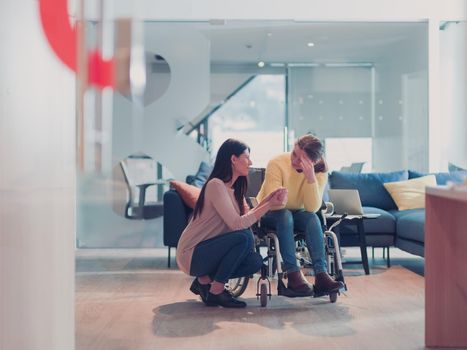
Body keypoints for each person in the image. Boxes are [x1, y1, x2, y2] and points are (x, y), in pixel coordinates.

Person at [176, 138, 287, 308]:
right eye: (246, 157)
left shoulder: (235, 191)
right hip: (191, 253)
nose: (250, 162)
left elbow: (247, 217)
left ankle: (205, 281)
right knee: (243, 237)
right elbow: (237, 224)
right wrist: (269, 205)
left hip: (207, 252)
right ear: (233, 159)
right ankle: (216, 291)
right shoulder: (215, 185)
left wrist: (268, 200)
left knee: (254, 261)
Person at [256, 134, 344, 297]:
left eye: (301, 159)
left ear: (313, 162)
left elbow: (311, 207)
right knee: (285, 215)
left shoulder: (319, 172)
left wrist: (310, 178)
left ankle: (321, 275)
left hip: (297, 213)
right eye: (294, 153)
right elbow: (274, 202)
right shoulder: (276, 163)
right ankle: (293, 275)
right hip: (269, 212)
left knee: (312, 218)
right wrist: (281, 197)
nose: (294, 160)